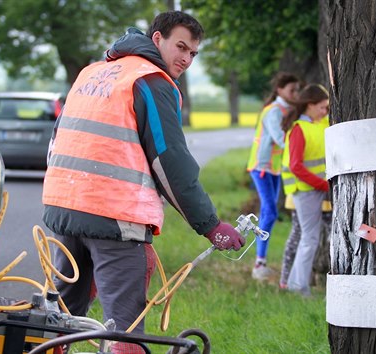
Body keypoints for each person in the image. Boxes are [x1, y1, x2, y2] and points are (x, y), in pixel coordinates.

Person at [41, 11, 245, 353]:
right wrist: (211, 225)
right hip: (114, 217)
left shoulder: (91, 73)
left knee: (61, 319)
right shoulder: (152, 81)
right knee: (127, 328)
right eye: (180, 47)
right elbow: (171, 164)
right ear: (157, 39)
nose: (186, 59)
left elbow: (57, 140)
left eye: (193, 53)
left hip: (64, 210)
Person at [246, 72, 299, 280]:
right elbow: (280, 138)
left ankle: (261, 262)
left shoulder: (288, 110)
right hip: (261, 167)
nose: (296, 93)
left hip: (274, 168)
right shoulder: (274, 112)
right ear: (280, 90)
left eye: (297, 90)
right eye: (292, 90)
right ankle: (259, 263)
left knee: (269, 212)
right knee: (269, 213)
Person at [279, 83, 330, 297]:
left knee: (311, 238)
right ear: (310, 105)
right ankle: (298, 287)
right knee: (309, 238)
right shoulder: (299, 130)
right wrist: (323, 185)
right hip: (306, 190)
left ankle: (294, 284)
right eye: (322, 107)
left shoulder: (322, 123)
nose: (326, 111)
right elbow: (296, 166)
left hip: (318, 188)